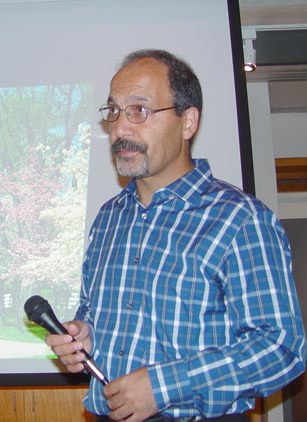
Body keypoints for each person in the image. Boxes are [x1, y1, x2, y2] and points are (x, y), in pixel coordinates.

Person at [45, 49, 306, 422]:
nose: (119, 129)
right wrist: (84, 334)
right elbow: (93, 310)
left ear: (188, 122)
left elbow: (281, 348)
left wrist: (165, 385)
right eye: (113, 112)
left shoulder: (239, 219)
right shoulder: (108, 218)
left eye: (139, 110)